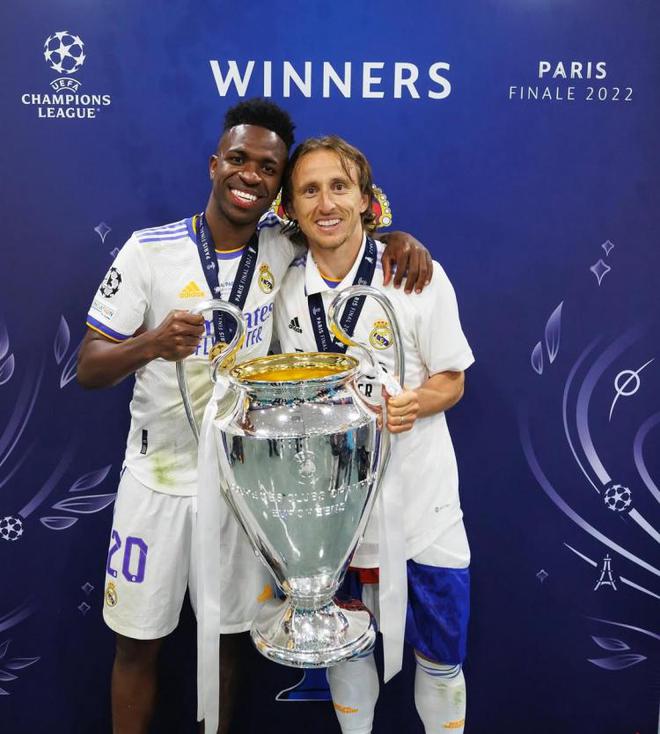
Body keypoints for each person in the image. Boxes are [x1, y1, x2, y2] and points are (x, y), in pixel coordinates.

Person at [76, 99, 433, 734]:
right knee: (136, 642)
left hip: (241, 485)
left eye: (268, 169)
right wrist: (152, 343)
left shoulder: (280, 244)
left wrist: (397, 241)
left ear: (277, 191)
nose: (251, 175)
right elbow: (89, 365)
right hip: (156, 480)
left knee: (228, 639)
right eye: (239, 159)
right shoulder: (148, 250)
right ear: (215, 164)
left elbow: (341, 234)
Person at [274, 135, 474, 734]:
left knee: (441, 654)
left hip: (422, 505)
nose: (326, 203)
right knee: (346, 646)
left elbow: (452, 380)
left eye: (339, 187)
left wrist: (416, 402)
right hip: (331, 510)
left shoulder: (415, 275)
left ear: (366, 198)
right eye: (310, 190)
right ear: (291, 207)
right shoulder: (283, 287)